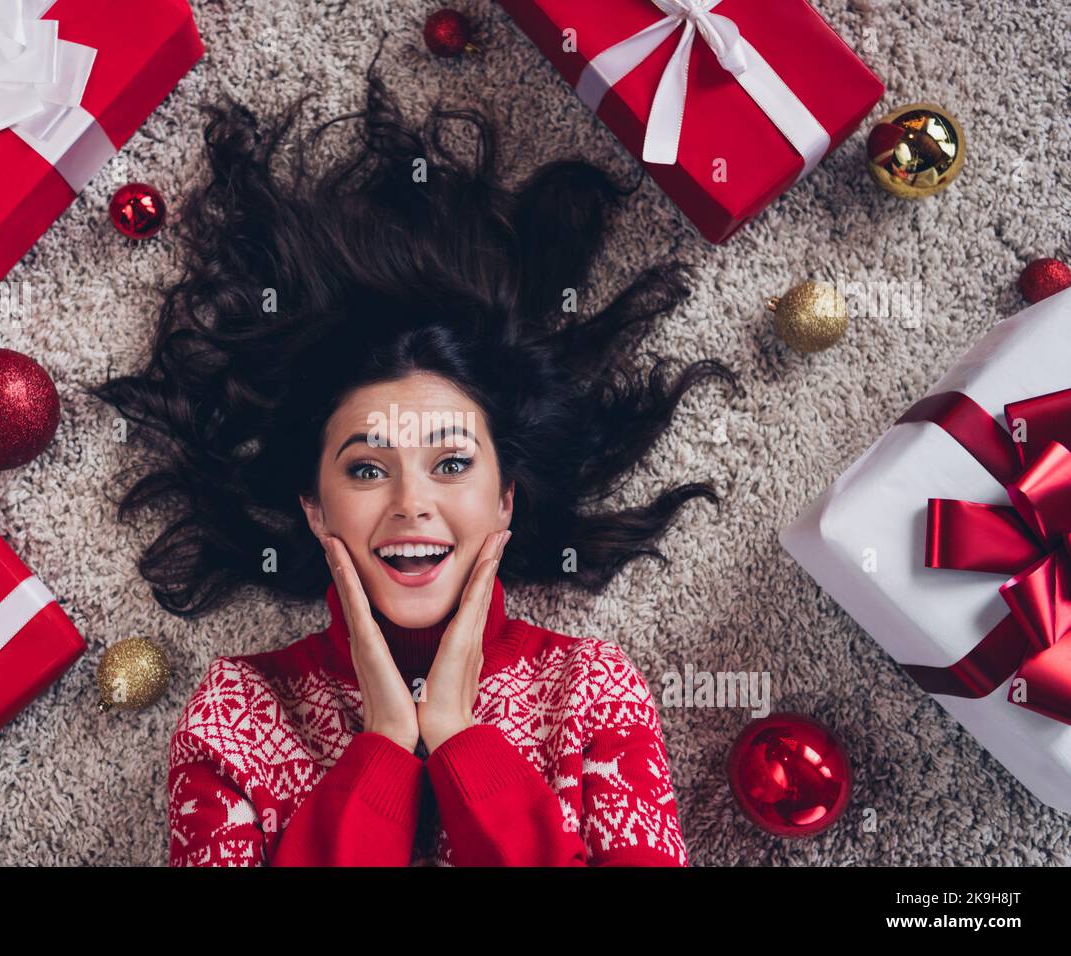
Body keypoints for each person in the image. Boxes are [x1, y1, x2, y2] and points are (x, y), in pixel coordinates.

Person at [92, 63, 734, 866]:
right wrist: (384, 750)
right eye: (365, 469)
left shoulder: (589, 692)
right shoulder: (238, 713)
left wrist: (463, 744)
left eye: (452, 463)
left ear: (506, 497)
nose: (410, 505)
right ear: (314, 507)